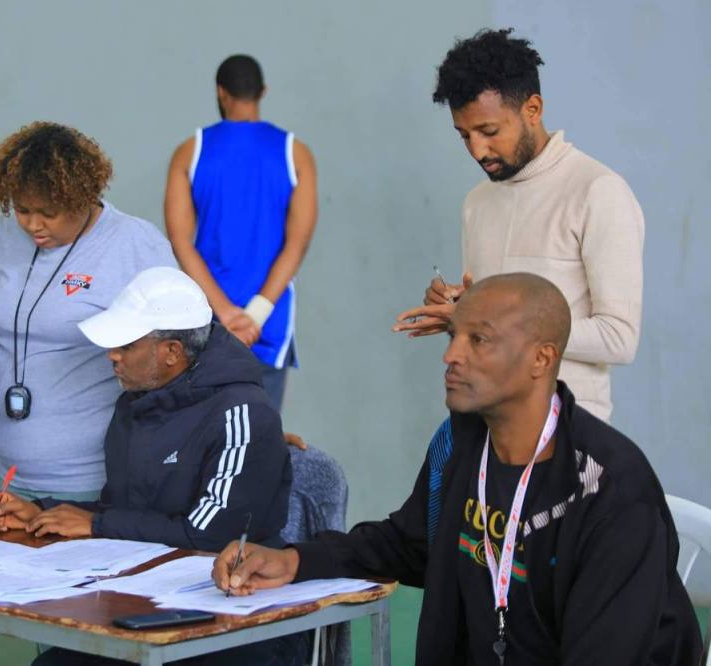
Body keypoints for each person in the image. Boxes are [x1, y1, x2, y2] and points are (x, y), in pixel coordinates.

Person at [215, 273, 702, 665]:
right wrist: (294, 561)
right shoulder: (463, 443)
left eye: (479, 340)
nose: (451, 355)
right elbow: (409, 544)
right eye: (453, 336)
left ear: (541, 358)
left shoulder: (609, 491)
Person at [0, 267, 304, 666]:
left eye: (126, 345)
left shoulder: (243, 413)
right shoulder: (135, 404)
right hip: (146, 595)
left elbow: (209, 534)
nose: (112, 355)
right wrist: (42, 511)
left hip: (228, 612)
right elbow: (128, 509)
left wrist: (96, 524)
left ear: (172, 352)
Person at [393, 28, 644, 421]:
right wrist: (461, 311)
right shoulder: (477, 202)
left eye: (489, 131)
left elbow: (619, 338)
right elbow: (492, 334)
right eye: (464, 135)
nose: (478, 150)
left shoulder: (597, 191)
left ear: (533, 109)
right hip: (484, 426)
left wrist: (495, 325)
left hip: (567, 430)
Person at [0, 122, 176, 506]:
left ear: (82, 197)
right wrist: (14, 363)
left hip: (96, 480)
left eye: (49, 212)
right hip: (13, 475)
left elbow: (183, 347)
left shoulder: (134, 243)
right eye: (22, 210)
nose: (33, 224)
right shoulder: (3, 237)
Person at [164, 54, 318, 411]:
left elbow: (180, 241)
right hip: (266, 325)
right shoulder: (296, 154)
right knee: (260, 436)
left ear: (221, 92)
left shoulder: (190, 152)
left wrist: (226, 315)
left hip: (207, 322)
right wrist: (254, 316)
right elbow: (297, 244)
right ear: (262, 92)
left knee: (203, 435)